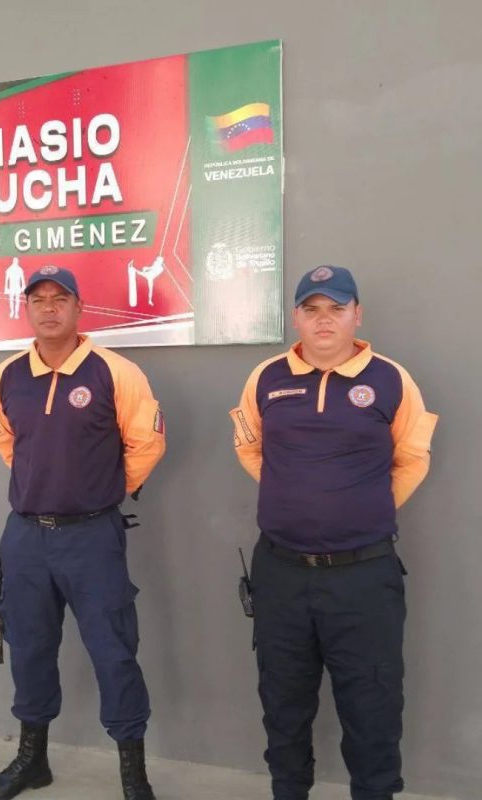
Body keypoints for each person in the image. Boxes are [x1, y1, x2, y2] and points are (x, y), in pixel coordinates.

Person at [230, 265, 438, 800]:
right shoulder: (266, 378)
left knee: (373, 706)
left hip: (363, 576)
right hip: (281, 573)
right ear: (296, 317)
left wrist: (359, 506)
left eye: (336, 308)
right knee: (283, 704)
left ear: (357, 315)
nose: (324, 320)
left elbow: (413, 458)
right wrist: (294, 492)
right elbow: (249, 447)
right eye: (312, 309)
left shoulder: (391, 379)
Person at [0, 265, 166, 800]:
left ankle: (134, 776)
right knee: (29, 647)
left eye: (60, 298)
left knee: (114, 651)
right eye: (38, 299)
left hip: (92, 537)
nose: (49, 308)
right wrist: (44, 488)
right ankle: (32, 760)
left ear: (79, 308)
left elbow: (147, 443)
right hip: (25, 539)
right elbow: (8, 441)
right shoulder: (7, 375)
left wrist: (98, 490)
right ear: (26, 308)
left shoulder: (115, 372)